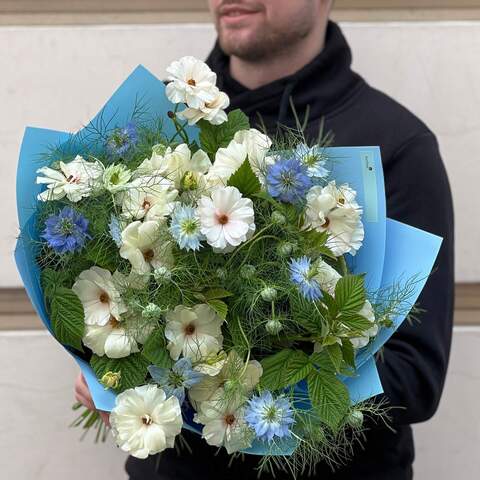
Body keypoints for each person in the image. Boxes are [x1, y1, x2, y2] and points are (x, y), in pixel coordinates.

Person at [75, 1, 455, 478]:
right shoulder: (162, 129)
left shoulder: (397, 144)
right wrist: (111, 368)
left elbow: (415, 376)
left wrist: (240, 386)